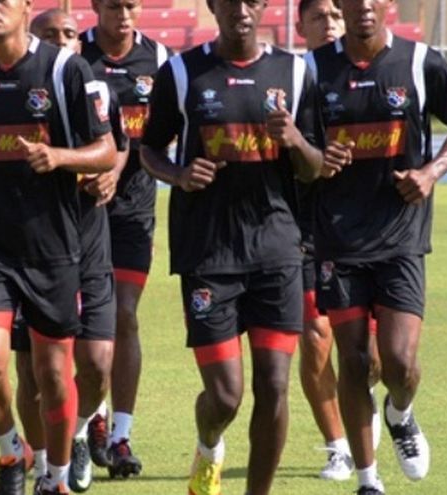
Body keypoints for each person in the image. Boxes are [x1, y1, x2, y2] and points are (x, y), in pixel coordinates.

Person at [140, 0, 323, 490]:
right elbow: (148, 148)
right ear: (212, 6)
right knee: (225, 397)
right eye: (229, 1)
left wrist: (296, 141)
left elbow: (315, 167)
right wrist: (179, 174)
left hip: (277, 249)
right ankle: (209, 444)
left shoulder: (295, 72)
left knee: (275, 385)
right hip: (208, 252)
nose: (240, 9)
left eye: (251, 0)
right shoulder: (182, 73)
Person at [0, 0, 117, 493]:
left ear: (26, 7)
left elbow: (106, 151)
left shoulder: (64, 70)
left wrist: (58, 157)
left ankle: (55, 477)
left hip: (52, 248)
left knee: (53, 376)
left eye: (4, 0)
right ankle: (11, 450)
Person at [305, 0, 447, 493]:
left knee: (399, 364)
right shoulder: (312, 70)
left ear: (389, 5)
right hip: (337, 239)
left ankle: (400, 412)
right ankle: (368, 480)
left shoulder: (421, 62)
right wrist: (316, 158)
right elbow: (293, 149)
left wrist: (430, 172)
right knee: (355, 361)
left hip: (401, 236)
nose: (363, 5)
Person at [13, 8, 128, 493]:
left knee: (97, 364)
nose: (60, 41)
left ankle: (79, 429)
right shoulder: (19, 95)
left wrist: (110, 174)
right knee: (32, 372)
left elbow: (117, 146)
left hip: (88, 245)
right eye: (49, 34)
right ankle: (44, 460)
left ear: (81, 44)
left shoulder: (98, 92)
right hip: (32, 249)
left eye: (69, 34)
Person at [79, 0, 172, 477]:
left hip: (134, 208)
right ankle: (89, 419)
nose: (125, 13)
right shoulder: (75, 57)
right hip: (81, 209)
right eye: (115, 4)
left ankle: (120, 435)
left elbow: (166, 132)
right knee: (82, 320)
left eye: (133, 4)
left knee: (124, 315)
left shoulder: (159, 60)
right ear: (97, 6)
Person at [294, 0, 382, 481]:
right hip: (309, 231)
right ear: (301, 25)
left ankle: (366, 408)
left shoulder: (370, 70)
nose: (328, 24)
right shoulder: (293, 79)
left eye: (334, 14)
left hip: (369, 232)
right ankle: (338, 446)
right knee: (315, 338)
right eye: (318, 17)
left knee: (372, 359)